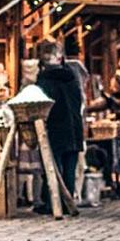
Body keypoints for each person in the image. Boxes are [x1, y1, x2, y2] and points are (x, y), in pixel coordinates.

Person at [34, 40, 84, 214]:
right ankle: (68, 203)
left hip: (55, 127)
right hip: (75, 127)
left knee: (53, 167)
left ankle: (53, 204)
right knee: (69, 167)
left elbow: (41, 104)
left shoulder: (44, 79)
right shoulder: (72, 76)